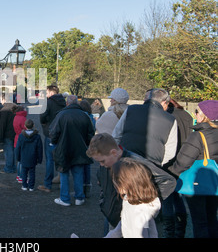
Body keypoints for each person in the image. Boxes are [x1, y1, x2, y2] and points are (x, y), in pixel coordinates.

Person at [86, 133, 177, 235]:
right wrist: (103, 202)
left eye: (102, 161)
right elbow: (103, 185)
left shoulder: (135, 162)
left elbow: (169, 181)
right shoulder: (108, 163)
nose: (101, 165)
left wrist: (145, 199)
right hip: (114, 218)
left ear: (113, 152)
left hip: (131, 216)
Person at [168, 100, 218, 238]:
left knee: (200, 221)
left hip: (197, 184)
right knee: (212, 218)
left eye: (197, 111)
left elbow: (183, 162)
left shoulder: (198, 135)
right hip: (215, 182)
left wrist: (171, 173)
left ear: (205, 116)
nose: (195, 114)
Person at [113, 88, 177, 167]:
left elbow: (116, 134)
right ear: (164, 102)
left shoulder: (131, 109)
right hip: (152, 164)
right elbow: (170, 151)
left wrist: (120, 154)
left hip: (127, 160)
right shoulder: (170, 119)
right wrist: (158, 163)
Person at [50, 95, 95, 206]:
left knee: (64, 173)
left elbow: (54, 133)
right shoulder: (85, 116)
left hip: (63, 148)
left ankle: (65, 198)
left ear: (67, 103)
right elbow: (91, 133)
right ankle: (79, 197)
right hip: (80, 148)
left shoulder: (61, 115)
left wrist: (55, 142)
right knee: (78, 173)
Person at [104, 158, 161, 238]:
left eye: (115, 180)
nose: (114, 184)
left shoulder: (137, 211)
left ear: (125, 183)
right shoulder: (130, 200)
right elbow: (122, 225)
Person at [162, 98, 194, 237]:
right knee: (178, 196)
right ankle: (180, 229)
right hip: (184, 158)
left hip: (168, 161)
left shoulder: (166, 117)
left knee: (167, 197)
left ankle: (169, 232)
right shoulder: (186, 115)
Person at [38, 85, 66, 192]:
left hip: (50, 133)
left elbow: (42, 116)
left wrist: (44, 124)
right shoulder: (64, 102)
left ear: (50, 92)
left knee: (50, 159)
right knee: (61, 158)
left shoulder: (48, 102)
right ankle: (61, 180)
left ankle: (47, 184)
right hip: (62, 133)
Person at [15, 119, 43, 191]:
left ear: (25, 126)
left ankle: (24, 185)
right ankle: (31, 186)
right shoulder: (37, 136)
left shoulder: (21, 136)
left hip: (24, 157)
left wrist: (18, 157)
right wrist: (39, 159)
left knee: (24, 172)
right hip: (33, 157)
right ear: (33, 125)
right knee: (32, 172)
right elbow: (39, 149)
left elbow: (18, 147)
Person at [0, 93, 17, 173]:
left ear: (4, 99)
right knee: (13, 150)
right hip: (16, 132)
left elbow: (2, 125)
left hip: (8, 133)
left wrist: (0, 137)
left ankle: (9, 168)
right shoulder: (16, 107)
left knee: (8, 151)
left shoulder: (4, 110)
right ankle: (13, 166)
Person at [13, 105, 27, 183]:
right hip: (22, 139)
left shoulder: (15, 117)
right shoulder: (23, 118)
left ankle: (19, 176)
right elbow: (25, 128)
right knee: (22, 160)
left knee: (19, 160)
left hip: (17, 137)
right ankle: (22, 176)